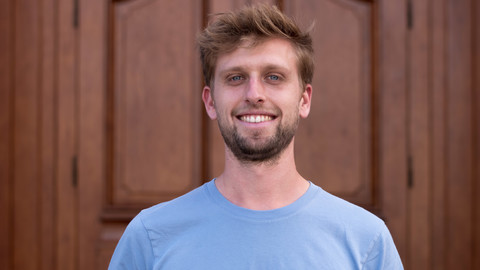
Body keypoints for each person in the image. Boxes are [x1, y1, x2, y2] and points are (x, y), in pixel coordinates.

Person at [108, 4, 403, 269]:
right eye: (235, 78)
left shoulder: (366, 241)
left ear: (304, 99)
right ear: (210, 101)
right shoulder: (150, 237)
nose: (254, 94)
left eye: (273, 76)